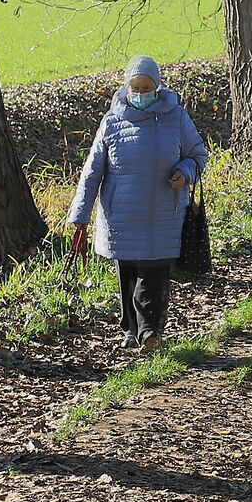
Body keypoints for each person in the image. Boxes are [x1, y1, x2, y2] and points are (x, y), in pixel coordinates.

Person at [68, 54, 209, 350]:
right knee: (129, 273)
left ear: (158, 88)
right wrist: (80, 215)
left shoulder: (176, 117)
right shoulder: (112, 122)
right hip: (122, 215)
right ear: (126, 87)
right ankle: (131, 330)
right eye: (136, 88)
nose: (141, 94)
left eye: (147, 89)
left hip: (163, 213)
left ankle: (149, 331)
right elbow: (92, 171)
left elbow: (198, 156)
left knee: (153, 273)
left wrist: (184, 173)